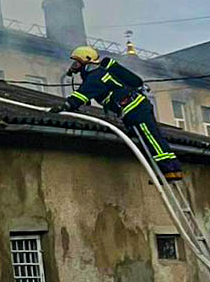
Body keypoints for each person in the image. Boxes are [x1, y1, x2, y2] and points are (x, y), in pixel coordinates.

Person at [50, 46, 184, 185]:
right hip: (137, 106)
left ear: (86, 61)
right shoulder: (100, 73)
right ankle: (173, 170)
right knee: (154, 137)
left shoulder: (95, 76)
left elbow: (80, 96)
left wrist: (64, 107)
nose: (74, 66)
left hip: (134, 109)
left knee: (150, 138)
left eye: (76, 62)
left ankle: (167, 170)